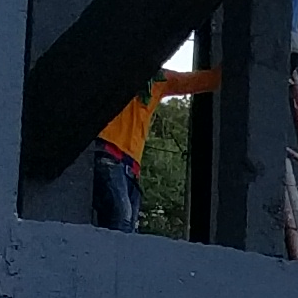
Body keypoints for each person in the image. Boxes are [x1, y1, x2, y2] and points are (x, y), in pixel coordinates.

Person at [91, 67, 218, 230]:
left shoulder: (158, 80)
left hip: (128, 166)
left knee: (127, 224)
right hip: (110, 154)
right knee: (122, 219)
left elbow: (195, 81)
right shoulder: (123, 70)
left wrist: (228, 70)